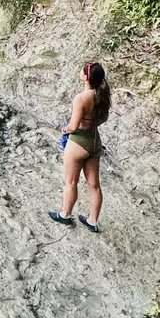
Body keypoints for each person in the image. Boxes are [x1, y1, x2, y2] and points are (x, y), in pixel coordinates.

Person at [48, 61, 110, 232]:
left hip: (78, 142)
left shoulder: (81, 98)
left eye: (82, 71)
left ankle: (65, 214)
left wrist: (65, 129)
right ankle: (92, 221)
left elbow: (74, 126)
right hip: (94, 141)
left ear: (86, 77)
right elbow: (103, 118)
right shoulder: (102, 94)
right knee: (94, 185)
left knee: (71, 181)